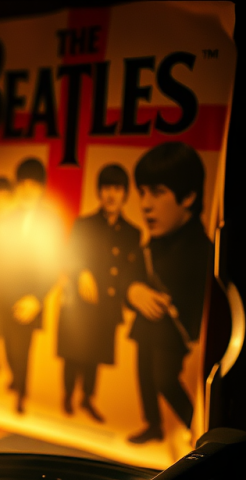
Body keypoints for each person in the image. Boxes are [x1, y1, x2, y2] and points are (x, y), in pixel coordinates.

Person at [125, 142, 212, 444]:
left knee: (164, 378)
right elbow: (130, 276)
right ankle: (153, 425)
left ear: (188, 196)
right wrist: (134, 291)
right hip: (147, 326)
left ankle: (198, 428)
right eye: (142, 192)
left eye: (157, 192)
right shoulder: (153, 242)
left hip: (173, 332)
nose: (145, 205)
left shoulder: (202, 250)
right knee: (144, 377)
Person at [58, 164, 143, 422]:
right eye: (106, 188)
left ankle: (87, 399)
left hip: (107, 305)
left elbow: (131, 271)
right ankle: (67, 396)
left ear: (125, 193)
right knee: (73, 353)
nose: (111, 194)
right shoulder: (84, 224)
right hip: (79, 304)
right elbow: (69, 255)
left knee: (94, 356)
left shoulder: (132, 233)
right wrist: (81, 271)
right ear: (99, 192)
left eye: (117, 188)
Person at [0, 158, 64, 413]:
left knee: (23, 349)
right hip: (3, 295)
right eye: (22, 184)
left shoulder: (50, 220)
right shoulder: (8, 217)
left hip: (30, 298)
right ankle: (15, 380)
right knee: (9, 347)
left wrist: (36, 298)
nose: (27, 190)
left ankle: (21, 394)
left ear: (41, 187)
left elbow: (53, 267)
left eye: (33, 184)